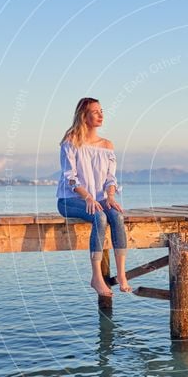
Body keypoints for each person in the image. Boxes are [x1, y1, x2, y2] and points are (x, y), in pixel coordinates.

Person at [57, 97, 131, 296]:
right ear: (84, 116)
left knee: (116, 216)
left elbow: (110, 177)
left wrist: (110, 196)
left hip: (98, 200)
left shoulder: (106, 145)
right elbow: (69, 178)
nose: (100, 115)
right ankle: (97, 278)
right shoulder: (70, 142)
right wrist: (88, 197)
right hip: (70, 201)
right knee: (100, 217)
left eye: (101, 111)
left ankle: (122, 274)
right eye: (95, 111)